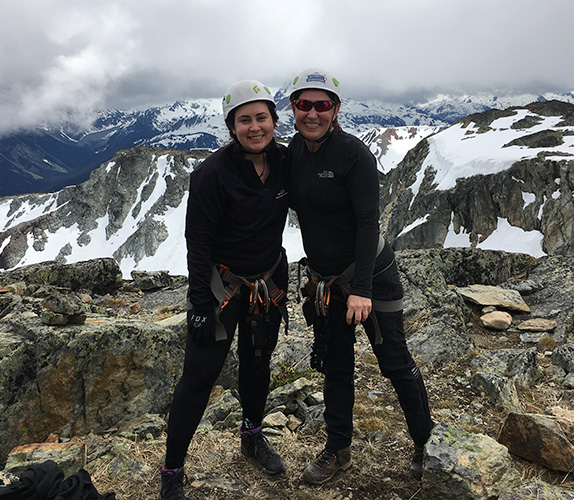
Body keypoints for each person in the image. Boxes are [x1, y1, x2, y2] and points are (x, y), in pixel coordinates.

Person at [287, 68, 435, 484]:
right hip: (326, 282)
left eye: (322, 105)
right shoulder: (293, 155)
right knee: (336, 365)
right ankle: (337, 450)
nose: (312, 113)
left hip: (371, 275)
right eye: (303, 104)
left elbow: (368, 222)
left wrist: (363, 290)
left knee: (393, 361)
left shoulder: (354, 155)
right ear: (293, 109)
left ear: (335, 110)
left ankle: (426, 441)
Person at [160, 80, 290, 500]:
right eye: (244, 120)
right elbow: (197, 242)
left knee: (258, 362)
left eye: (262, 118)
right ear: (231, 126)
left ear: (274, 120)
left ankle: (252, 435)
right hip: (223, 287)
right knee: (198, 377)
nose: (255, 127)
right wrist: (199, 303)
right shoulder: (212, 174)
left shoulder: (285, 162)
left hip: (269, 281)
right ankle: (172, 470)